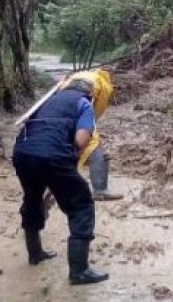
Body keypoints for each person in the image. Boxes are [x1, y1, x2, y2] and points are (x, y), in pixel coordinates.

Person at [12, 75, 109, 285]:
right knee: (81, 206)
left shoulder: (47, 101)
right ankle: (79, 271)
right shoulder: (84, 104)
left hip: (22, 154)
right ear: (91, 94)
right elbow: (80, 140)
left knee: (32, 199)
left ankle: (35, 253)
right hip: (53, 156)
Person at [62, 69, 123, 201]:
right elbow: (96, 111)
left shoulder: (76, 76)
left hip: (61, 106)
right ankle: (100, 190)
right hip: (81, 105)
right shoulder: (105, 85)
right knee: (94, 146)